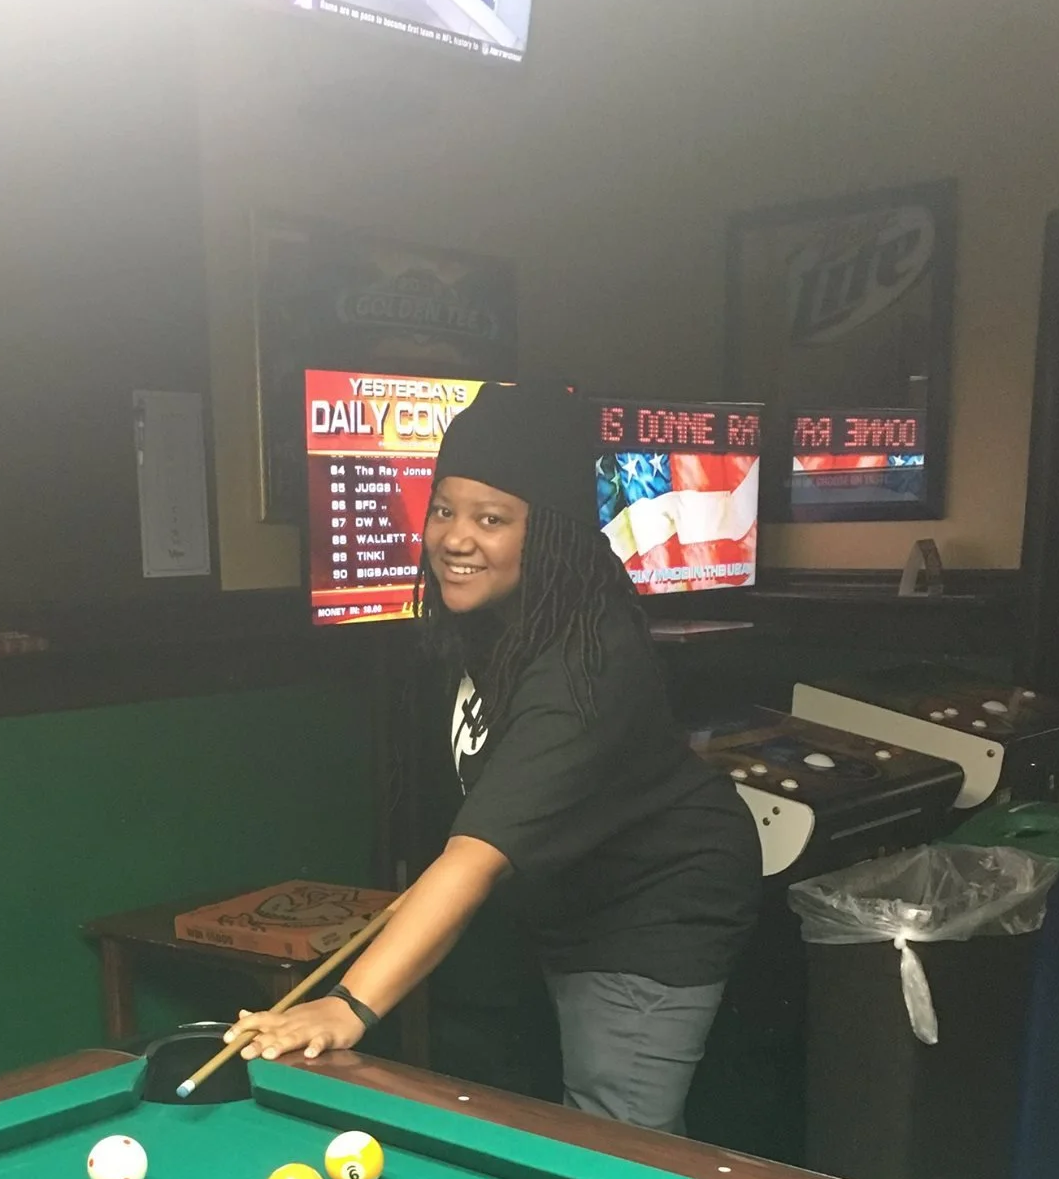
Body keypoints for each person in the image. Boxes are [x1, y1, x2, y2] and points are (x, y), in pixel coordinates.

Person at [230, 382, 762, 1136]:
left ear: (549, 535)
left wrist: (347, 1006)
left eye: (491, 519)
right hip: (563, 895)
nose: (454, 538)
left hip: (653, 905)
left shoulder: (585, 667)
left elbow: (474, 859)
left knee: (616, 1136)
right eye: (443, 510)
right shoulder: (490, 618)